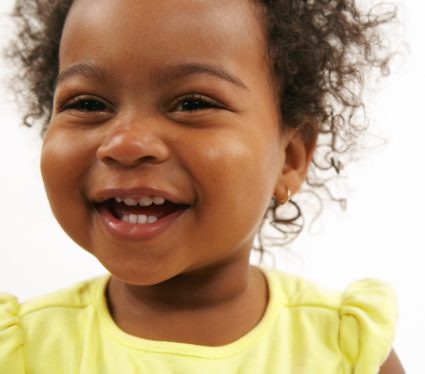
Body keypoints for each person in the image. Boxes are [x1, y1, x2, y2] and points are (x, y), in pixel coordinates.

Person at [0, 0, 405, 372]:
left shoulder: (348, 353)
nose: (125, 143)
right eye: (88, 104)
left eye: (193, 103)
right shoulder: (21, 354)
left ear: (290, 157)